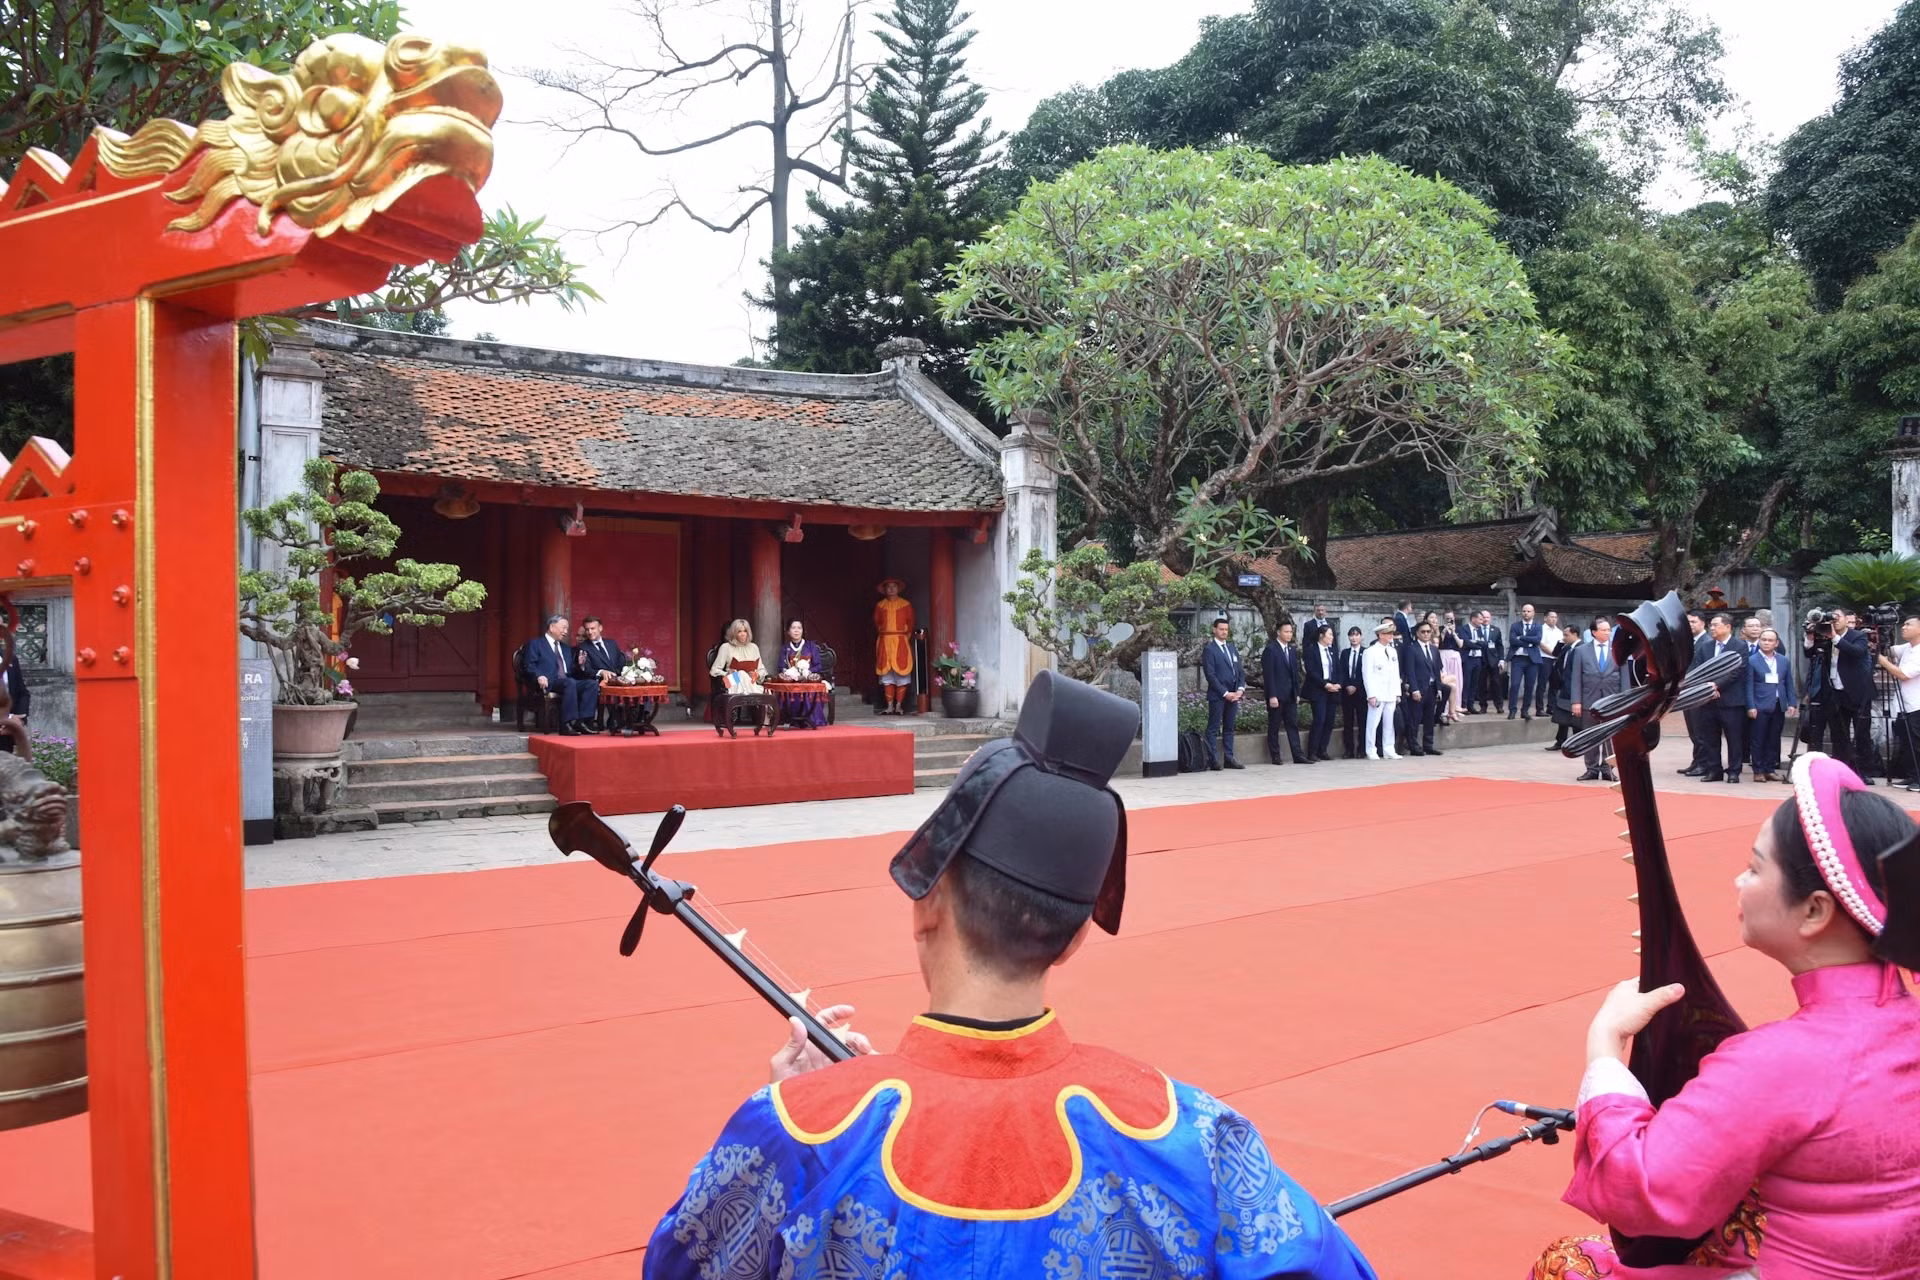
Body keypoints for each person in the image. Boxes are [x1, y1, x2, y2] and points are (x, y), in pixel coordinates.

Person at [644, 672, 1380, 1280]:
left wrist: (808, 1095)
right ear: (1075, 938)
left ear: (927, 902)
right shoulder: (1195, 1136)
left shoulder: (796, 1131)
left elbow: (676, 1267)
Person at [1532, 752, 1920, 1280]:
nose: (1740, 881)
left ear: (1814, 911)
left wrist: (1603, 1052)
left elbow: (1642, 1191)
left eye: (1756, 867)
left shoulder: (1780, 1061)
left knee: (1568, 1262)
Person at [520, 614, 600, 735]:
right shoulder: (536, 644)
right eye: (563, 628)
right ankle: (565, 724)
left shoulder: (566, 648)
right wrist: (538, 676)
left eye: (567, 629)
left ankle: (582, 721)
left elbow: (572, 671)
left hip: (567, 682)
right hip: (547, 682)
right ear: (552, 627)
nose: (566, 632)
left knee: (591, 684)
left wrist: (581, 665)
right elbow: (529, 665)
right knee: (570, 682)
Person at [1700, 614, 1753, 784]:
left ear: (1728, 627)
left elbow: (1737, 671)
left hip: (1731, 701)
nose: (1712, 628)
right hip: (1708, 700)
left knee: (1734, 738)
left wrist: (1717, 686)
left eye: (1716, 625)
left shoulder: (1740, 646)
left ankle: (1733, 771)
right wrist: (1708, 688)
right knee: (1710, 738)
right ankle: (1714, 770)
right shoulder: (1705, 647)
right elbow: (1699, 670)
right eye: (1711, 625)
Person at [1569, 616, 1621, 782]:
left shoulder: (1618, 649)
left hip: (1612, 700)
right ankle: (1591, 769)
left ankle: (1608, 769)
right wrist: (1576, 701)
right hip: (1588, 699)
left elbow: (1624, 677)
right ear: (1594, 632)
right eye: (1604, 630)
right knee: (1590, 735)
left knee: (1611, 737)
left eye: (1609, 630)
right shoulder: (1581, 651)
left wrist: (1625, 702)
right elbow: (1576, 677)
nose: (1608, 633)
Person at [1747, 627, 1798, 782]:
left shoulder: (1783, 660)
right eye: (1764, 640)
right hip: (1760, 705)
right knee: (1758, 738)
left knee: (1774, 738)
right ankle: (1758, 770)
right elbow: (1748, 685)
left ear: (1776, 643)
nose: (1766, 643)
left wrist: (1792, 702)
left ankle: (1770, 768)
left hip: (1778, 704)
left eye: (1770, 640)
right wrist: (1751, 706)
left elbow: (1788, 682)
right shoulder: (1752, 660)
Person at [1877, 615, 1920, 784]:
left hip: (1917, 705)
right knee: (1905, 743)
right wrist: (1879, 638)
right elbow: (1891, 651)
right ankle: (1911, 775)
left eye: (1908, 624)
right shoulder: (1908, 647)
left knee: (1916, 744)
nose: (1904, 627)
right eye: (1903, 624)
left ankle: (1918, 778)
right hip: (1903, 705)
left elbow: (1903, 675)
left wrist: (1882, 661)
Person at [1201, 615, 1247, 770]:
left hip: (1234, 694)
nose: (1224, 632)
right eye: (1221, 629)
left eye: (1226, 629)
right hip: (1218, 695)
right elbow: (1211, 675)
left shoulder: (1232, 648)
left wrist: (1240, 689)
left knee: (1229, 727)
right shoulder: (1209, 650)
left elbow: (1239, 671)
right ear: (1214, 630)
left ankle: (1229, 757)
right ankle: (1213, 759)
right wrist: (1225, 693)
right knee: (1213, 727)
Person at [1261, 620, 1308, 766]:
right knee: (1274, 725)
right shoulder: (1271, 649)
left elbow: (1295, 673)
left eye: (1290, 632)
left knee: (1292, 724)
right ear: (1278, 632)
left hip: (1290, 695)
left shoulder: (1292, 650)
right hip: (1277, 695)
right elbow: (1269, 675)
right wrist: (1272, 695)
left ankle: (1298, 754)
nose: (1289, 634)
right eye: (1286, 632)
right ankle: (1275, 755)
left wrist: (1297, 692)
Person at [775, 619, 829, 730]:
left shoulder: (810, 646)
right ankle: (793, 719)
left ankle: (812, 720)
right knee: (789, 690)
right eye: (793, 628)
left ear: (802, 631)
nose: (796, 631)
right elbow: (781, 667)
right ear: (788, 631)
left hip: (808, 679)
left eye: (799, 628)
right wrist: (791, 673)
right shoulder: (785, 648)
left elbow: (818, 665)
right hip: (792, 680)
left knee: (811, 690)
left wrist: (806, 672)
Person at [1402, 617, 1444, 756]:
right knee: (1415, 718)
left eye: (1428, 631)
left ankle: (1428, 745)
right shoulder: (1411, 649)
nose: (1426, 634)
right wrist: (1414, 689)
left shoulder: (1433, 649)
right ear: (1417, 633)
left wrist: (1439, 688)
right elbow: (1410, 671)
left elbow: (1437, 670)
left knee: (1429, 718)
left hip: (1432, 688)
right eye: (1423, 632)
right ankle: (1414, 746)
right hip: (1419, 688)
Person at [873, 578, 916, 715]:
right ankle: (889, 706)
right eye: (888, 587)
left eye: (894, 587)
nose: (891, 589)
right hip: (885, 641)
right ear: (885, 590)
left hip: (900, 641)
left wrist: (901, 638)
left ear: (898, 589)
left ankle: (899, 706)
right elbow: (877, 623)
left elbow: (910, 624)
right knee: (887, 675)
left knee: (901, 673)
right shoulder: (880, 605)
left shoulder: (906, 605)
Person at [1362, 619, 1402, 760]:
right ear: (1380, 635)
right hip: (1377, 693)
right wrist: (1371, 694)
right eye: (1387, 633)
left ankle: (1388, 748)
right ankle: (1371, 749)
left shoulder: (1392, 651)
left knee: (1389, 723)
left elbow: (1395, 673)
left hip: (1390, 692)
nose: (1391, 635)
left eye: (1391, 633)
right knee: (1373, 723)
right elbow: (1367, 675)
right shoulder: (1370, 652)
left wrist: (1397, 692)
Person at [1305, 622, 1340, 761]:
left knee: (1329, 720)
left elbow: (1338, 669)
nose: (1332, 637)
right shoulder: (1312, 650)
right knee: (1319, 719)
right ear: (1321, 636)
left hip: (1333, 689)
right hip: (1318, 688)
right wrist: (1325, 684)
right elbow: (1311, 671)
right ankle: (1312, 751)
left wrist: (1338, 684)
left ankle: (1323, 750)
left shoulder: (1332, 650)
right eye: (1330, 634)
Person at [1548, 623, 1582, 751]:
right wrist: (1561, 642)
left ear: (1574, 634)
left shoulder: (1581, 648)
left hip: (1575, 687)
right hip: (1564, 685)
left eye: (1566, 635)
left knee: (1575, 718)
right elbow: (1555, 654)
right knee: (1562, 715)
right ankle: (1560, 741)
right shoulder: (1567, 647)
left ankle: (1577, 743)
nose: (1564, 637)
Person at [1509, 604, 1545, 721]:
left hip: (1532, 660)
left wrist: (1522, 637)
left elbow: (1537, 640)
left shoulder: (1538, 626)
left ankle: (1525, 711)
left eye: (1528, 611)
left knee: (1529, 686)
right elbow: (1513, 640)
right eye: (1524, 611)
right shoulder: (1515, 626)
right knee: (1514, 685)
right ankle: (1512, 710)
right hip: (1518, 659)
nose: (1526, 613)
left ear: (1533, 613)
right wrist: (1529, 642)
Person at [1340, 627, 1368, 759]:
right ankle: (1348, 749)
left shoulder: (1366, 652)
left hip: (1361, 692)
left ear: (1361, 637)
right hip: (1347, 693)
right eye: (1351, 635)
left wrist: (1356, 686)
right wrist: (1347, 685)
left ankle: (1362, 749)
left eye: (1356, 635)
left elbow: (1366, 673)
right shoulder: (1345, 653)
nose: (1354, 638)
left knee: (1363, 722)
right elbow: (1342, 672)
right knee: (1348, 722)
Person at [0, 651, 30, 756]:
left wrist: (19, 719)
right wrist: (8, 718)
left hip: (6, 734)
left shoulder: (11, 659)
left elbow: (22, 693)